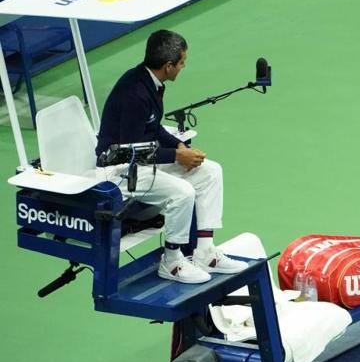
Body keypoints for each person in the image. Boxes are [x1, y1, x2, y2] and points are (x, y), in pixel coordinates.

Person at [95, 30, 247, 284]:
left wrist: (179, 147)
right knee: (183, 192)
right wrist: (177, 155)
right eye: (182, 62)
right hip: (118, 171)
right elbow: (130, 150)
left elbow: (153, 130)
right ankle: (173, 262)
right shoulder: (135, 93)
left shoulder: (150, 82)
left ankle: (205, 252)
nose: (184, 66)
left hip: (139, 161)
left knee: (210, 172)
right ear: (168, 66)